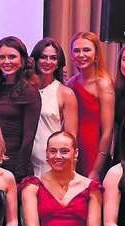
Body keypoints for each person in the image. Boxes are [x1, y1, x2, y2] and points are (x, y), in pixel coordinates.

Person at [0, 36, 41, 182]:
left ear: (22, 60)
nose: (6, 61)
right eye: (2, 57)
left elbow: (28, 139)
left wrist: (19, 175)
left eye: (12, 57)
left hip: (16, 166)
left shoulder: (30, 91)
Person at [66, 32, 114, 179]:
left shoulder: (103, 84)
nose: (81, 55)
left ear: (96, 54)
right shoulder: (71, 83)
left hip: (94, 152)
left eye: (86, 50)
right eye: (77, 51)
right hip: (73, 149)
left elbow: (107, 131)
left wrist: (97, 169)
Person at [30, 38, 78, 179]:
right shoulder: (25, 88)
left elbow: (71, 138)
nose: (48, 62)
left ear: (58, 63)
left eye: (53, 58)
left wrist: (70, 173)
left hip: (52, 162)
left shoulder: (65, 93)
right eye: (43, 57)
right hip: (24, 163)